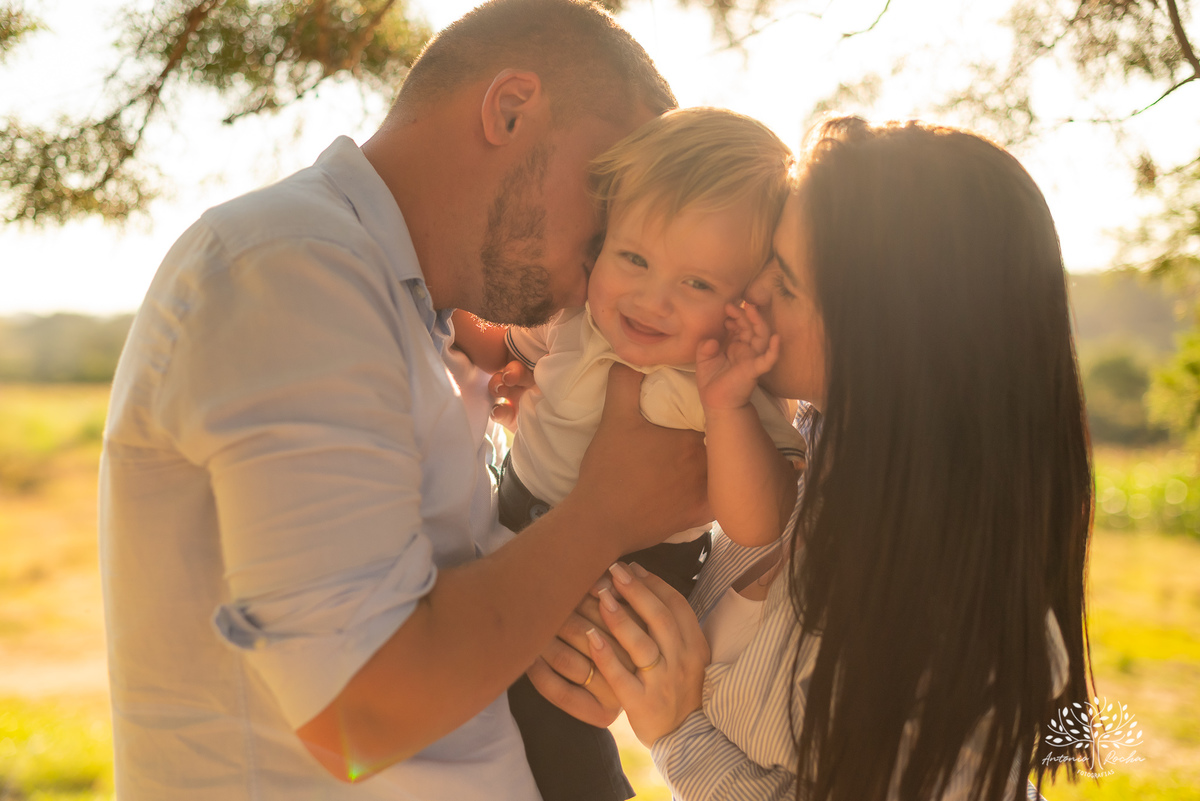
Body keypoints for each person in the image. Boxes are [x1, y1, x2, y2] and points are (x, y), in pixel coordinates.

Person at [97, 2, 712, 799]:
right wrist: (605, 512)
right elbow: (361, 715)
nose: (617, 254)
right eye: (610, 197)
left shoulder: (412, 315)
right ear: (510, 109)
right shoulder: (291, 267)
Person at [538, 117, 1094, 801]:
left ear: (887, 331)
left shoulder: (964, 633)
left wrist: (679, 731)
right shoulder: (805, 460)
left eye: (787, 282)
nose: (749, 291)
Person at [459, 107, 802, 801]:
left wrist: (727, 409)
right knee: (474, 699)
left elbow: (758, 521)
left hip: (626, 574)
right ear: (602, 244)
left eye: (697, 283)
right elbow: (490, 341)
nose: (652, 299)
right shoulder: (575, 318)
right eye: (635, 259)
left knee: (554, 718)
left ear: (743, 303)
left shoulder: (716, 382)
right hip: (511, 518)